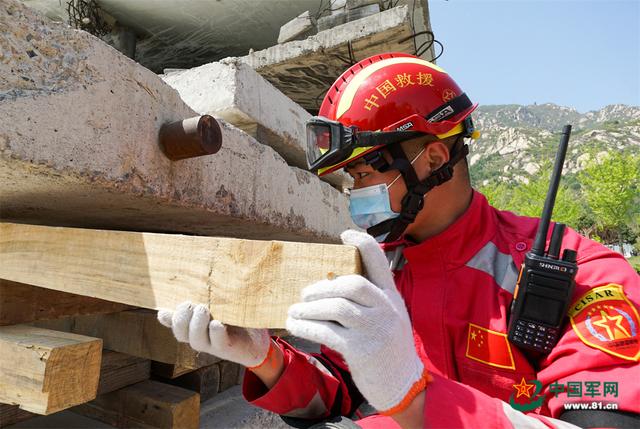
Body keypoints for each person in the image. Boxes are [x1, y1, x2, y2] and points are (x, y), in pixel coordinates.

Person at [158, 53, 640, 428]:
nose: (356, 194)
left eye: (365, 172)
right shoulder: (375, 267)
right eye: (350, 179)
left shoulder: (582, 275)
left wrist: (414, 398)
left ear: (432, 160)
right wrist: (267, 360)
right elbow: (338, 392)